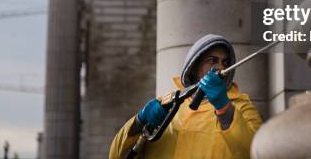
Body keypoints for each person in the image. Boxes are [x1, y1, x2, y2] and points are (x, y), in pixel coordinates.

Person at [109, 34, 263, 158]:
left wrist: (225, 110)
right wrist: (138, 122)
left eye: (225, 62)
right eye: (212, 60)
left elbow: (256, 151)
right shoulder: (168, 105)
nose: (221, 67)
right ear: (194, 66)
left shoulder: (240, 105)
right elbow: (116, 155)